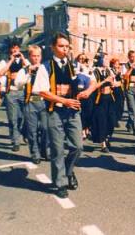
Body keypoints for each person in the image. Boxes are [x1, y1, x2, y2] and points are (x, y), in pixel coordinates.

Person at [33, 32, 96, 198]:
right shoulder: (45, 67)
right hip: (55, 111)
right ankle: (60, 183)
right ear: (53, 47)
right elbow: (42, 91)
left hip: (72, 111)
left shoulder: (75, 66)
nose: (65, 49)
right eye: (61, 46)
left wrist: (88, 91)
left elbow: (93, 79)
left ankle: (68, 171)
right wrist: (64, 100)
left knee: (78, 146)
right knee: (57, 149)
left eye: (67, 46)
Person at [15, 45, 49, 164]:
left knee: (46, 128)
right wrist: (28, 73)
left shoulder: (45, 68)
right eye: (33, 56)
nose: (36, 58)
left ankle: (45, 150)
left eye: (38, 56)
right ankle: (35, 153)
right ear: (29, 56)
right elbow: (18, 84)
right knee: (32, 130)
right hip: (30, 101)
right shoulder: (23, 70)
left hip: (44, 100)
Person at [0, 37, 30, 151]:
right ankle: (15, 141)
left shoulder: (23, 60)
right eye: (13, 48)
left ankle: (21, 133)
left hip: (23, 91)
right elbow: (1, 72)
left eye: (17, 48)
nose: (15, 50)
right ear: (9, 50)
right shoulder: (4, 61)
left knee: (22, 117)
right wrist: (11, 60)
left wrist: (22, 57)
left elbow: (30, 69)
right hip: (11, 91)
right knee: (12, 118)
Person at [91, 54, 120, 152]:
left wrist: (116, 83)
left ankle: (107, 137)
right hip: (99, 99)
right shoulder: (94, 72)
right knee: (102, 121)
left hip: (110, 98)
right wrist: (105, 81)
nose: (108, 61)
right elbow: (94, 86)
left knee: (111, 120)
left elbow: (115, 83)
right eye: (106, 59)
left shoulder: (109, 70)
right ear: (100, 60)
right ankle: (103, 144)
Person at [123, 50, 135, 135]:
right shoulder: (125, 66)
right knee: (132, 110)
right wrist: (131, 68)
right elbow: (125, 76)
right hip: (129, 88)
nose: (133, 58)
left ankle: (128, 124)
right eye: (132, 57)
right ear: (129, 57)